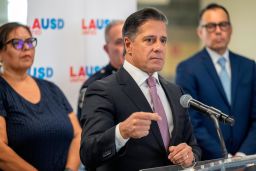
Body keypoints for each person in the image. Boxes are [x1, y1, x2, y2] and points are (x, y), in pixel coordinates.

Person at [80, 8, 201, 171]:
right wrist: (121, 132)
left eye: (163, 40)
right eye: (150, 40)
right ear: (128, 45)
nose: (159, 47)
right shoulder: (102, 90)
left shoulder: (175, 92)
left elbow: (193, 146)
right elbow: (88, 153)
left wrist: (190, 155)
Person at [176, 3, 256, 160]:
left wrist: (241, 156)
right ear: (200, 31)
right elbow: (192, 121)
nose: (218, 31)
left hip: (248, 160)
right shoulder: (187, 69)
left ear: (230, 29)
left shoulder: (249, 66)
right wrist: (225, 157)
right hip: (210, 161)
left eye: (223, 25)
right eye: (211, 26)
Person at [0, 22, 81, 171]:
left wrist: (70, 169)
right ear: (1, 53)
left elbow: (78, 134)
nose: (26, 48)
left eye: (30, 42)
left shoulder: (51, 88)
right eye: (16, 43)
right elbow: (1, 152)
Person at [77, 20, 124, 122]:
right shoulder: (93, 85)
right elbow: (88, 131)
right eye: (120, 42)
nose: (127, 47)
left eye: (130, 41)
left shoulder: (148, 80)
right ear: (107, 49)